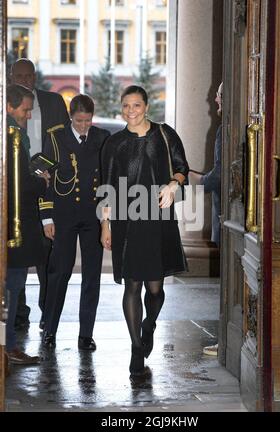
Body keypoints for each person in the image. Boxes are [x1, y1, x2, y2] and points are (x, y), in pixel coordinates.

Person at [100, 85, 189, 377]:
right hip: (127, 221)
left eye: (136, 105)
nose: (130, 111)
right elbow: (107, 188)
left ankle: (149, 324)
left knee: (155, 288)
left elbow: (181, 168)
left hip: (158, 219)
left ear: (146, 106)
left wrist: (174, 185)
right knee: (132, 285)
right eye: (126, 106)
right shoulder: (114, 144)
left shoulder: (165, 134)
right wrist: (105, 224)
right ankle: (136, 349)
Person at [40, 94, 110, 350]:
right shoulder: (56, 138)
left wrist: (107, 220)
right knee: (59, 273)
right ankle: (49, 329)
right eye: (79, 121)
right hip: (64, 215)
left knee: (92, 276)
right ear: (71, 117)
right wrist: (46, 217)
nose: (84, 126)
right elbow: (44, 181)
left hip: (92, 216)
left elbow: (107, 180)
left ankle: (86, 334)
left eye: (88, 121)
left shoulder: (102, 138)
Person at [11, 58, 70, 331]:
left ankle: (48, 313)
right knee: (16, 253)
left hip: (48, 186)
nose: (24, 79)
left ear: (35, 77)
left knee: (49, 251)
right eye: (18, 75)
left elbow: (66, 141)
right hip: (17, 191)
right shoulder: (8, 108)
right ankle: (17, 316)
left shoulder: (54, 102)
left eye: (28, 75)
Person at [6, 84, 50, 364]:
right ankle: (8, 347)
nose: (29, 116)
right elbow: (18, 182)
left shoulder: (12, 132)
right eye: (25, 109)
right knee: (12, 287)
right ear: (9, 107)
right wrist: (41, 181)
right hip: (15, 226)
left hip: (12, 224)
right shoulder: (12, 135)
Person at [199, 82, 223, 357]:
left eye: (217, 99)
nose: (215, 104)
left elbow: (217, 176)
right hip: (237, 216)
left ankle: (225, 341)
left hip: (228, 216)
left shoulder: (222, 130)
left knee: (226, 284)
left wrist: (193, 180)